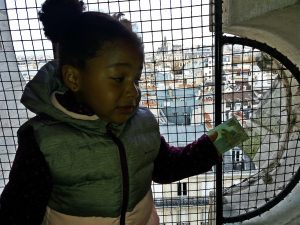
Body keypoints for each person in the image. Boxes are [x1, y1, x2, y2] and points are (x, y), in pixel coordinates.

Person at [0, 0, 220, 224]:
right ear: (74, 78)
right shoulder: (43, 142)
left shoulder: (142, 123)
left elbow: (165, 167)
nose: (134, 92)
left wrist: (211, 147)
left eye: (136, 79)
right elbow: (18, 212)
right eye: (118, 78)